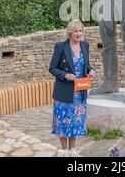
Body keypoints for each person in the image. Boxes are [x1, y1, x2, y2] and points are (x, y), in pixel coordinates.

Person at [49, 20, 96, 156]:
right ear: (70, 32)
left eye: (80, 31)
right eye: (75, 31)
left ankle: (73, 149)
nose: (78, 34)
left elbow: (85, 65)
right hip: (64, 91)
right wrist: (65, 75)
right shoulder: (61, 46)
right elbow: (52, 68)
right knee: (63, 121)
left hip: (80, 91)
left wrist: (91, 70)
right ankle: (64, 150)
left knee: (76, 120)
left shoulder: (85, 45)